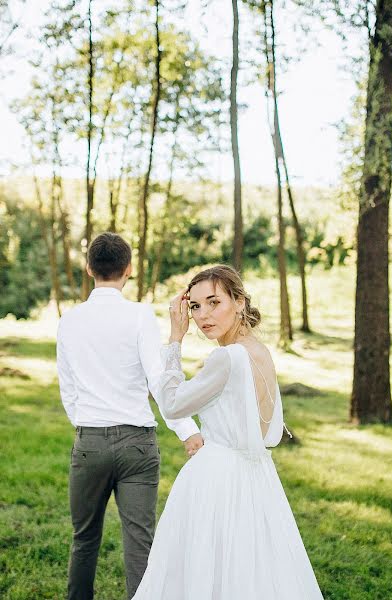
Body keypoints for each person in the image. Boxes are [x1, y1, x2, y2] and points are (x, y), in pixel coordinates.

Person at [132, 264, 324, 600]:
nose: (203, 315)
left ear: (239, 302)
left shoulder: (227, 358)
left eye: (213, 302)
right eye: (194, 306)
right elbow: (262, 427)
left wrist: (175, 339)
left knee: (204, 569)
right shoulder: (259, 351)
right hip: (257, 476)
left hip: (218, 478)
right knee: (252, 569)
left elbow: (172, 405)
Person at [56, 232, 203, 600]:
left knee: (84, 538)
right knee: (141, 542)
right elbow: (159, 380)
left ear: (89, 268)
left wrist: (89, 425)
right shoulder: (140, 316)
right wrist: (187, 430)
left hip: (88, 443)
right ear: (129, 269)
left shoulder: (69, 321)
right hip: (137, 445)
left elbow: (68, 390)